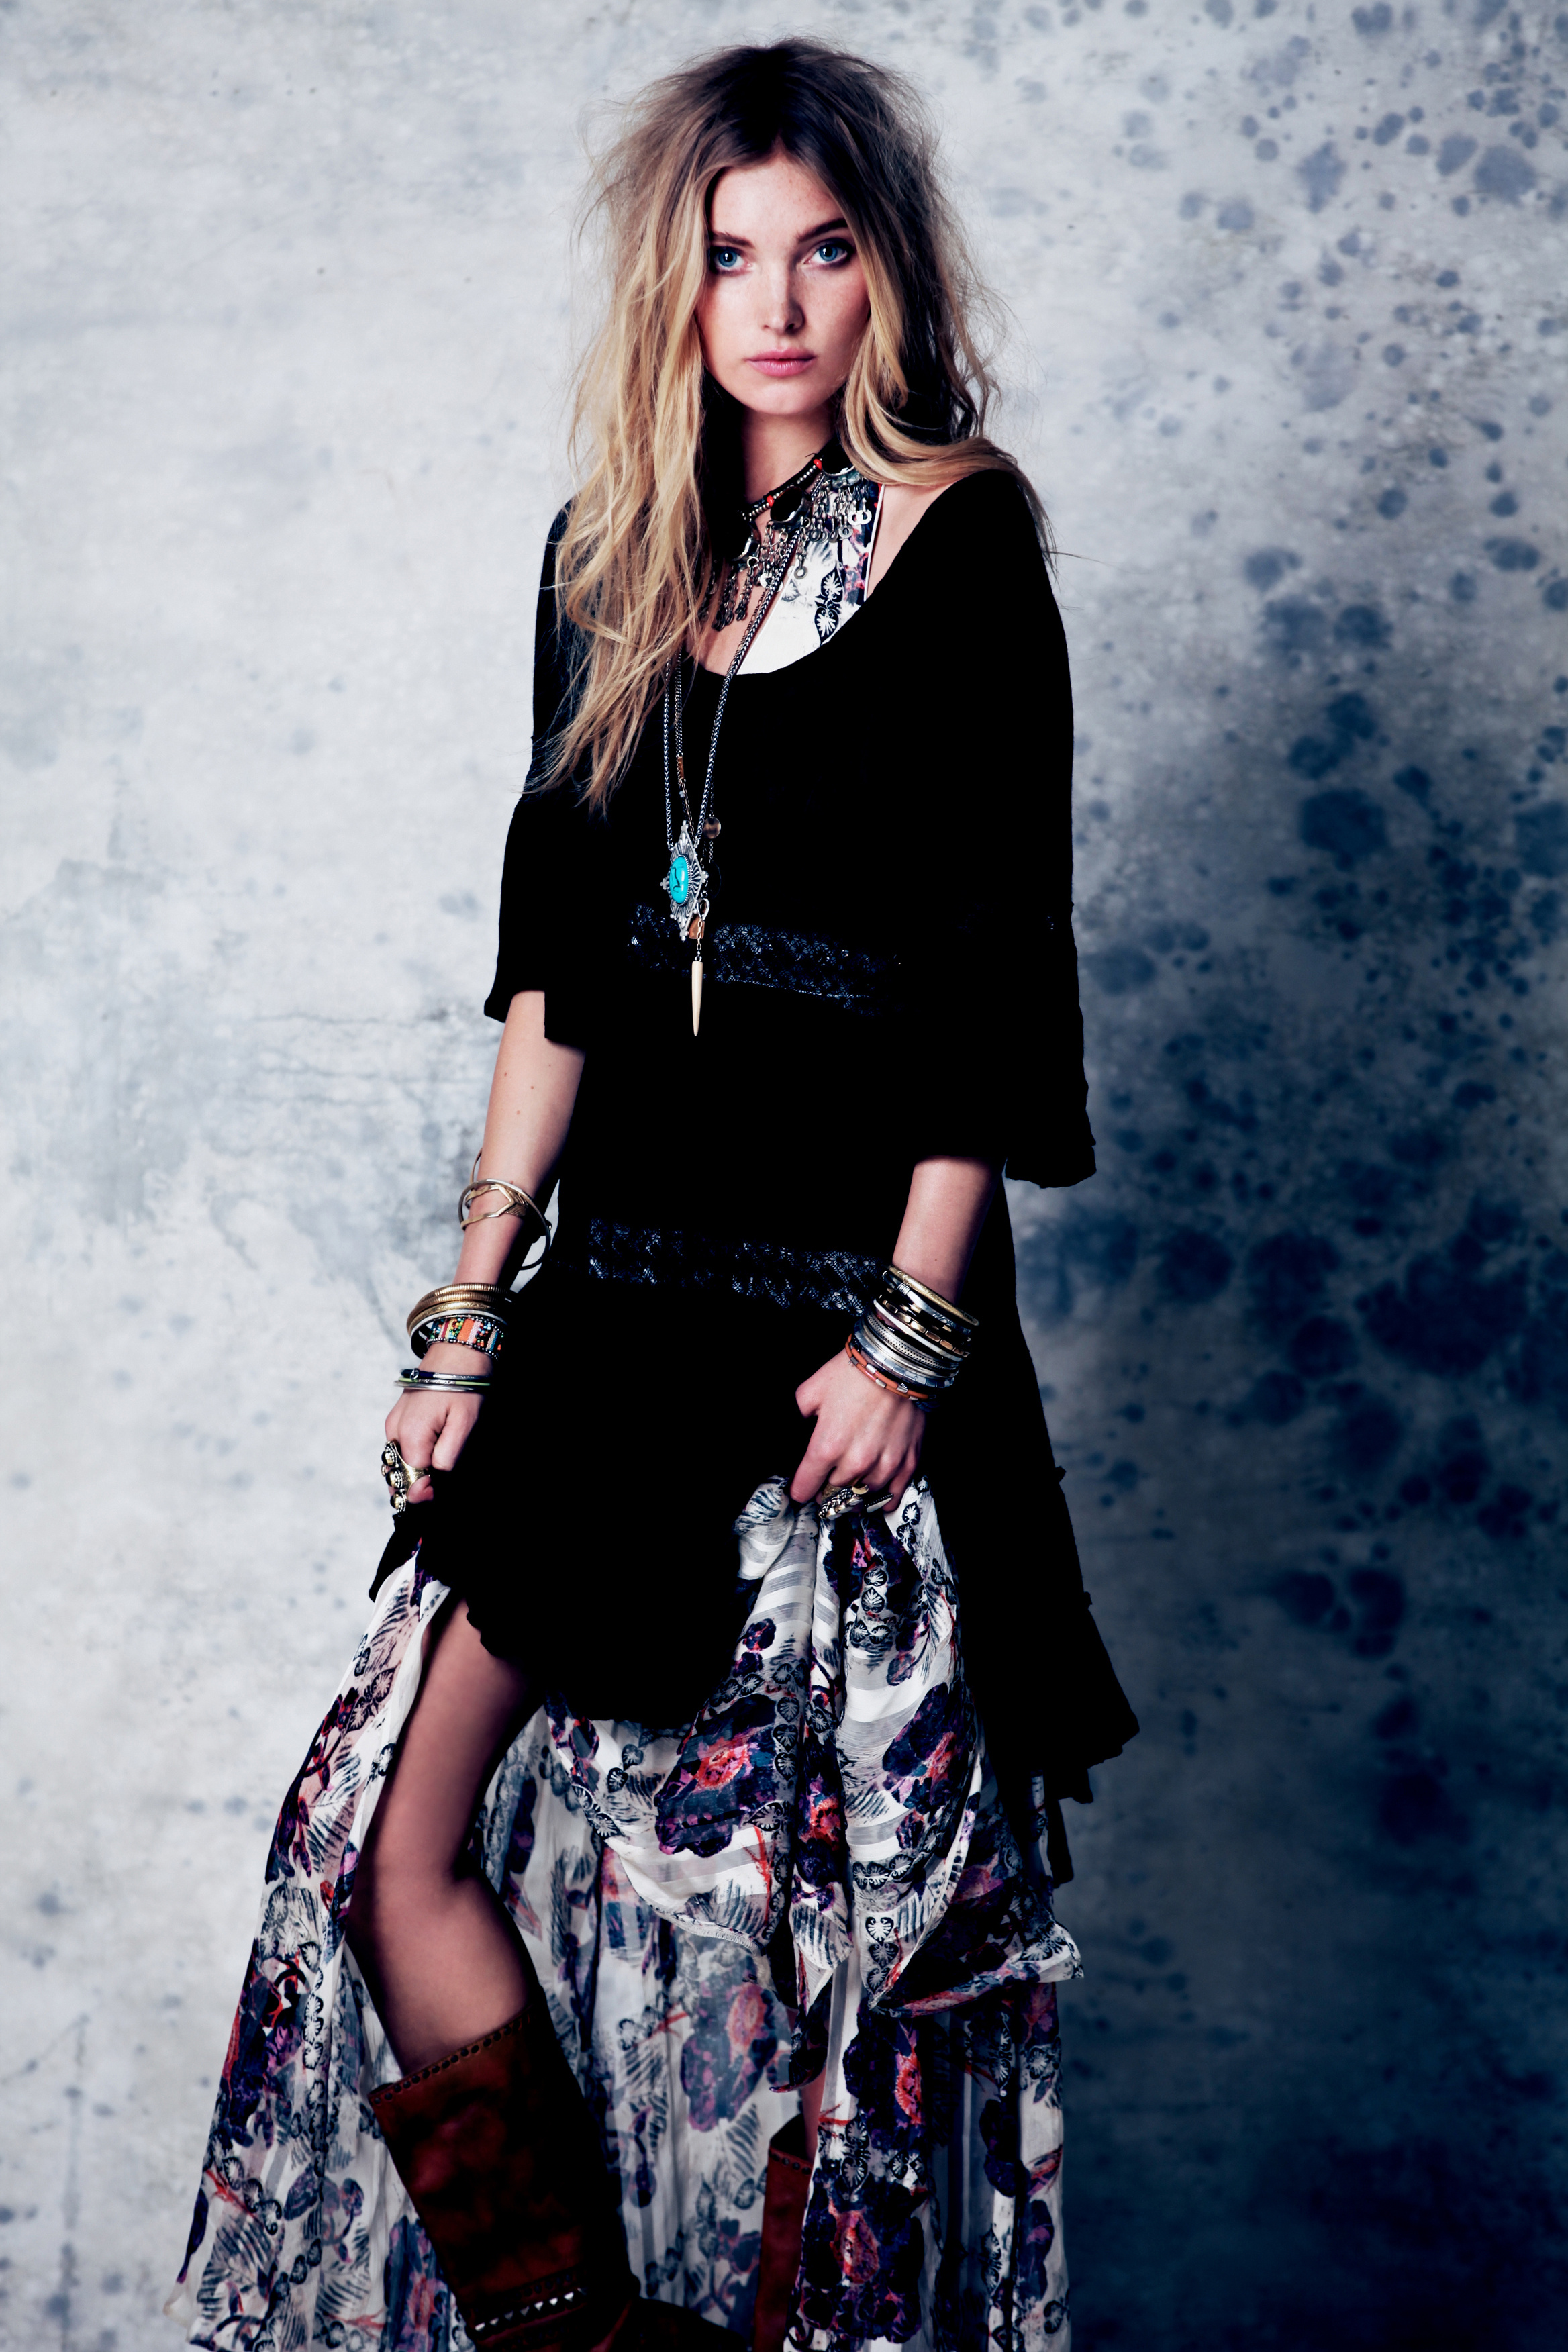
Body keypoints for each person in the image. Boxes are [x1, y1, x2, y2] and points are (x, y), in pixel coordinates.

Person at [169, 38, 1137, 2352]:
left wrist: (911, 1337)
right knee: (388, 1843)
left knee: (816, 1961)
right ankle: (583, 2339)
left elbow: (990, 984)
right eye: (730, 256)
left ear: (887, 272)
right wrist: (465, 1318)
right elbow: (558, 983)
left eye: (824, 250)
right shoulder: (607, 560)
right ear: (672, 287)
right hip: (617, 1318)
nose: (776, 305)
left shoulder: (962, 541)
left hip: (834, 1329)